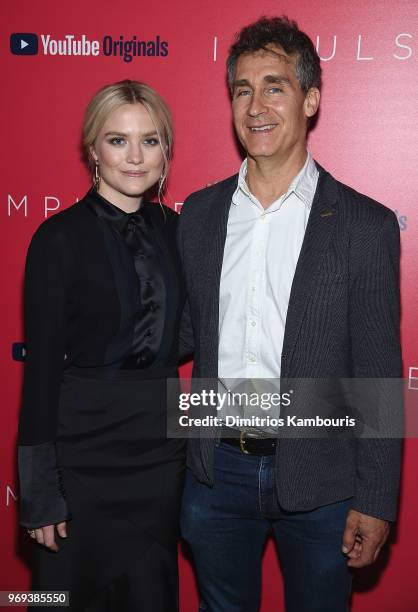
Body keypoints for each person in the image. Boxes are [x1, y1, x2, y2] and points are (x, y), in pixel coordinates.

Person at [179, 16, 402, 612]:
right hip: (214, 473)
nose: (256, 106)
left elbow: (380, 372)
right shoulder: (197, 216)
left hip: (325, 478)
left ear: (310, 99)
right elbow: (175, 332)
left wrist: (378, 498)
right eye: (243, 89)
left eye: (274, 86)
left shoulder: (364, 225)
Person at [18, 80, 186, 611]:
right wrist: (41, 493)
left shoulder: (183, 232)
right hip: (81, 456)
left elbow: (192, 335)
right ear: (93, 149)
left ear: (166, 149)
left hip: (160, 456)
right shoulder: (57, 239)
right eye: (118, 140)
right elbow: (40, 372)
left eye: (150, 140)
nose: (135, 157)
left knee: (150, 595)